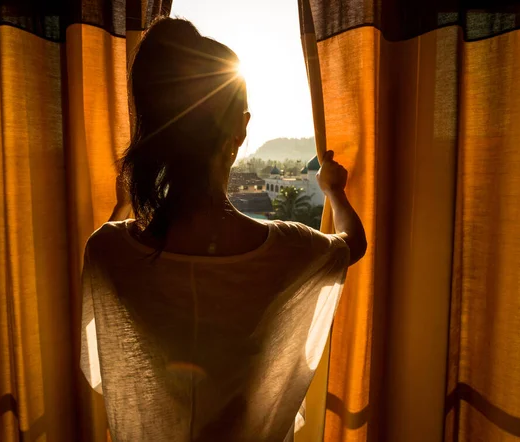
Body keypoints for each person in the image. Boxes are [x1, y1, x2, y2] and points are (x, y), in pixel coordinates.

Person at [80, 17, 366, 442]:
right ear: (242, 127)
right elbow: (353, 243)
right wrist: (334, 192)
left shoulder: (107, 250)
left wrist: (124, 204)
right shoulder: (285, 249)